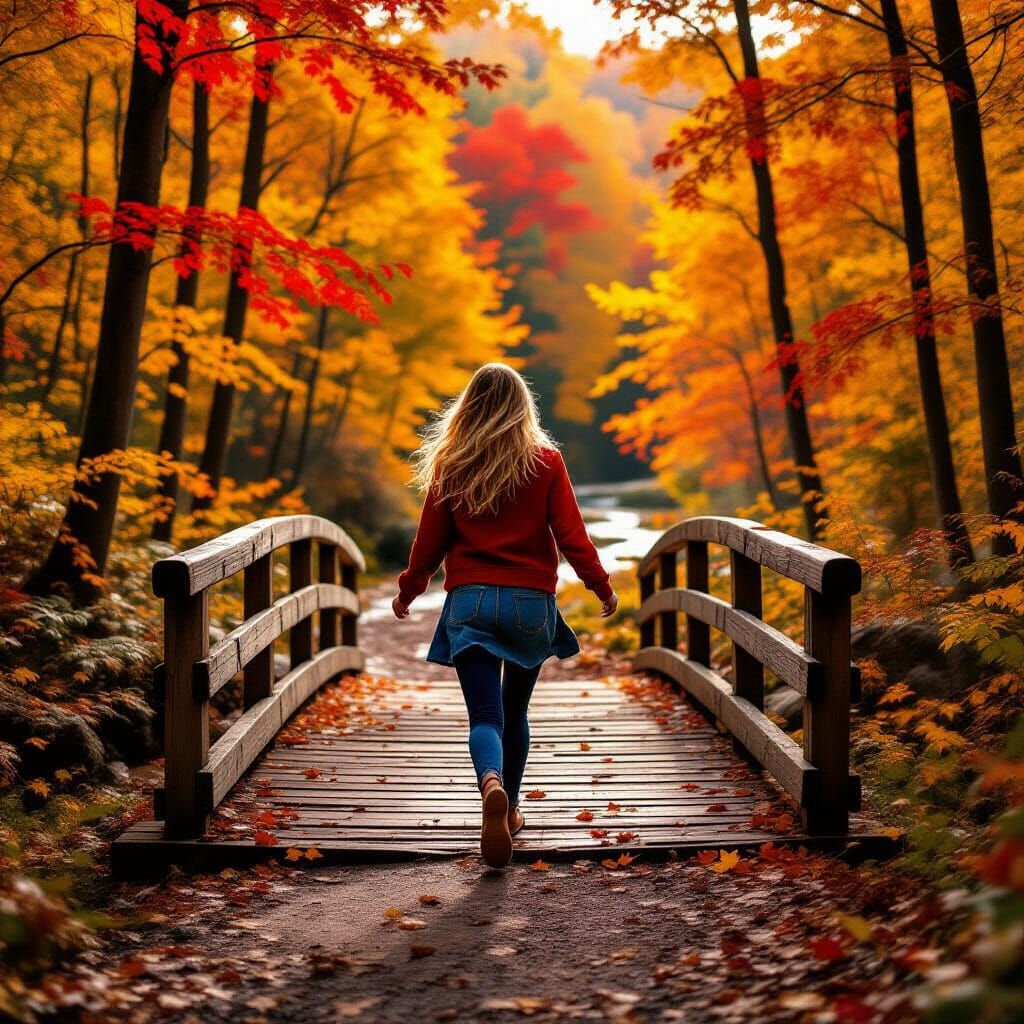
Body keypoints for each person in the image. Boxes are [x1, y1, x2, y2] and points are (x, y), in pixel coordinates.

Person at [393, 363, 618, 868]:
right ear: (524, 407)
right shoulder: (546, 461)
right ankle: (511, 808)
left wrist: (409, 590)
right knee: (515, 712)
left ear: (467, 407)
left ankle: (488, 784)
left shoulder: (452, 463)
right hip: (529, 606)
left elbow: (429, 543)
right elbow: (571, 534)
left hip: (470, 600)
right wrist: (599, 585)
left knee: (485, 717)